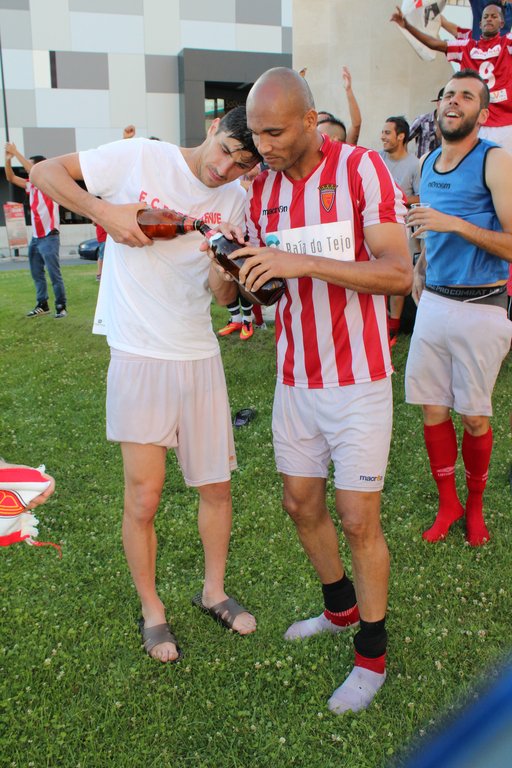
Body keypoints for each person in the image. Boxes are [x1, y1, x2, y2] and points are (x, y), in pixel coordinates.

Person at [30, 106, 261, 662]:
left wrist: (223, 266)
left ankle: (213, 591)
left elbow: (222, 297)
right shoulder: (140, 157)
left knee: (216, 488)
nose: (225, 169)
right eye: (226, 151)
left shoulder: (235, 199)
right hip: (139, 352)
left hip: (199, 353)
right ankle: (153, 610)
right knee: (144, 496)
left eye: (241, 165)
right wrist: (105, 212)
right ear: (212, 128)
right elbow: (43, 173)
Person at [222, 67, 412, 713]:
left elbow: (397, 274)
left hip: (359, 380)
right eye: (256, 134)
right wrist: (235, 273)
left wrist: (301, 260)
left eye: (275, 132)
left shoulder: (361, 169)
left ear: (310, 120)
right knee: (300, 505)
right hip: (294, 379)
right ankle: (339, 609)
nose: (264, 146)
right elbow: (260, 288)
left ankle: (372, 655)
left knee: (358, 520)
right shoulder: (260, 190)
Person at [405, 69, 512, 546]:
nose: (453, 101)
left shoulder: (495, 160)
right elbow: (429, 231)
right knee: (433, 409)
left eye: (466, 96)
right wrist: (420, 266)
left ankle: (475, 507)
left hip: (482, 306)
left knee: (473, 416)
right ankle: (448, 503)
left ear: (482, 113)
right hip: (434, 301)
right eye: (448, 94)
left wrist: (455, 224)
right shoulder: (427, 162)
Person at [391, 4, 512, 152]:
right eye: (485, 16)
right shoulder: (466, 47)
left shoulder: (508, 43)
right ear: (479, 24)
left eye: (494, 16)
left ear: (502, 23)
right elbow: (434, 44)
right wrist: (407, 26)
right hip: (476, 124)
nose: (489, 19)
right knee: (476, 165)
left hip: (506, 124)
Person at [5, 143, 67, 318]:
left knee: (54, 274)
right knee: (37, 273)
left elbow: (33, 171)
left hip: (49, 236)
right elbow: (10, 177)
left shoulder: (49, 183)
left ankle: (61, 306)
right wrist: (8, 159)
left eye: (32, 166)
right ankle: (43, 304)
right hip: (36, 237)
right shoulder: (31, 185)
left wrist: (16, 152)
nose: (28, 171)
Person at [380, 116, 421, 342]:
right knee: (377, 276)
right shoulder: (377, 159)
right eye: (383, 132)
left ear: (401, 136)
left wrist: (396, 199)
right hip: (375, 228)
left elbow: (422, 197)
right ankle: (379, 323)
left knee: (396, 277)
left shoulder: (414, 164)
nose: (382, 137)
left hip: (402, 229)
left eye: (387, 133)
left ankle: (393, 329)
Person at [316, 66, 362, 145]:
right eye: (317, 123)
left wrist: (348, 90)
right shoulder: (309, 148)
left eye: (324, 121)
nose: (320, 125)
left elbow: (356, 124)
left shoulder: (344, 148)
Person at [408, 87, 444, 159]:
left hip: (442, 163)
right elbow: (404, 139)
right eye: (444, 102)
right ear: (438, 103)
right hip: (423, 163)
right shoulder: (423, 120)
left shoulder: (454, 123)